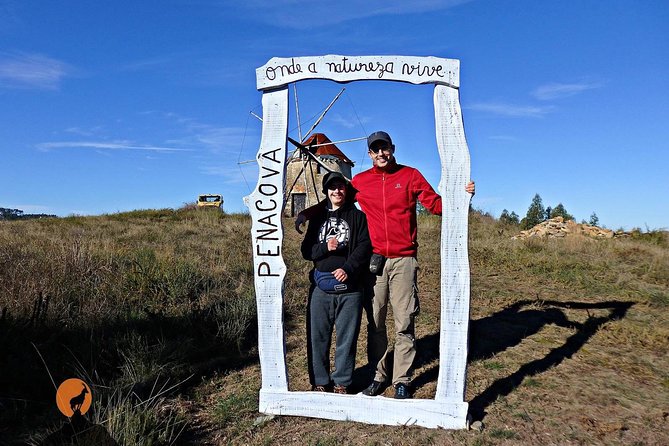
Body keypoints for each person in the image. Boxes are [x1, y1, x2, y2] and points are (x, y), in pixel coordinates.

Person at [296, 130, 475, 399]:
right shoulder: (361, 182)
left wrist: (462, 196)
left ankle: (401, 378)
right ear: (369, 154)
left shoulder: (410, 175)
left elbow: (435, 205)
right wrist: (306, 213)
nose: (381, 153)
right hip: (374, 261)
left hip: (403, 259)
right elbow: (337, 200)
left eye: (385, 148)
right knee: (375, 322)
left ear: (392, 148)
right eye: (375, 149)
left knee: (404, 322)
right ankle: (379, 375)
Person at [301, 171, 372, 394]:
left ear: (346, 189)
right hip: (321, 287)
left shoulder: (358, 217)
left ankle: (342, 382)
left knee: (347, 338)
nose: (337, 191)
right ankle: (320, 381)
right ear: (326, 191)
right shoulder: (317, 219)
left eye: (341, 187)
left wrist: (348, 269)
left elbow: (364, 246)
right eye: (332, 188)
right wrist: (325, 248)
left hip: (350, 288)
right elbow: (306, 251)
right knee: (318, 336)